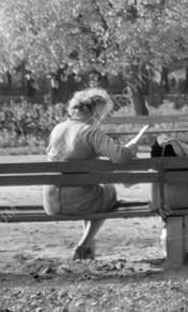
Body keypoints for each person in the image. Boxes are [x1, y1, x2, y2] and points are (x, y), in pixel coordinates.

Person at [43, 87, 137, 260]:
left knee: (92, 190)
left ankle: (87, 244)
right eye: (103, 113)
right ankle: (85, 243)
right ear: (96, 110)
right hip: (80, 202)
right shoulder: (90, 132)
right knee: (108, 192)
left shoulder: (57, 128)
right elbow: (120, 157)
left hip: (51, 202)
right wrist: (130, 149)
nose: (103, 118)